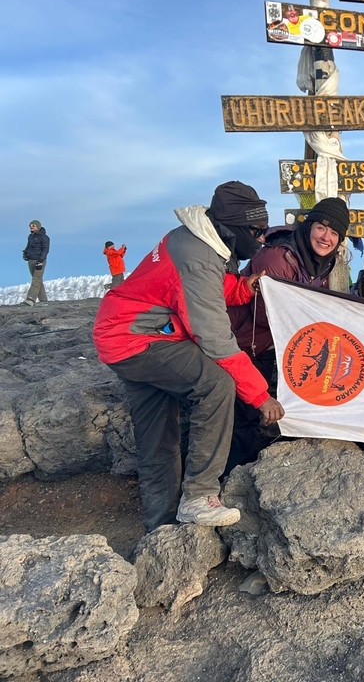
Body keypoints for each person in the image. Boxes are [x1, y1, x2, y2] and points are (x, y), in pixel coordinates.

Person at [92, 181, 285, 532]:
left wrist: (241, 288)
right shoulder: (198, 254)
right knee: (217, 383)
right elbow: (215, 340)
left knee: (158, 438)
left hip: (119, 336)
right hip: (138, 339)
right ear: (234, 228)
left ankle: (160, 530)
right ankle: (199, 495)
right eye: (257, 232)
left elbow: (193, 286)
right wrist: (261, 397)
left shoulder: (193, 239)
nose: (260, 240)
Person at [227, 196, 350, 471]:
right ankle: (231, 478)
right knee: (242, 415)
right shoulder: (278, 258)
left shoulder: (326, 264)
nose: (326, 237)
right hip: (245, 342)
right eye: (322, 228)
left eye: (334, 233)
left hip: (275, 346)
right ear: (309, 227)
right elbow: (267, 315)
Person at [21, 220, 49, 307]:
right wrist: (25, 253)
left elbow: (45, 250)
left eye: (33, 225)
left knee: (36, 280)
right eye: (30, 225)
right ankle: (43, 300)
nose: (31, 227)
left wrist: (40, 261)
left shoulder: (44, 237)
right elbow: (28, 246)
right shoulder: (30, 237)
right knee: (37, 280)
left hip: (39, 260)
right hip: (31, 260)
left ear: (38, 226)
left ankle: (30, 299)